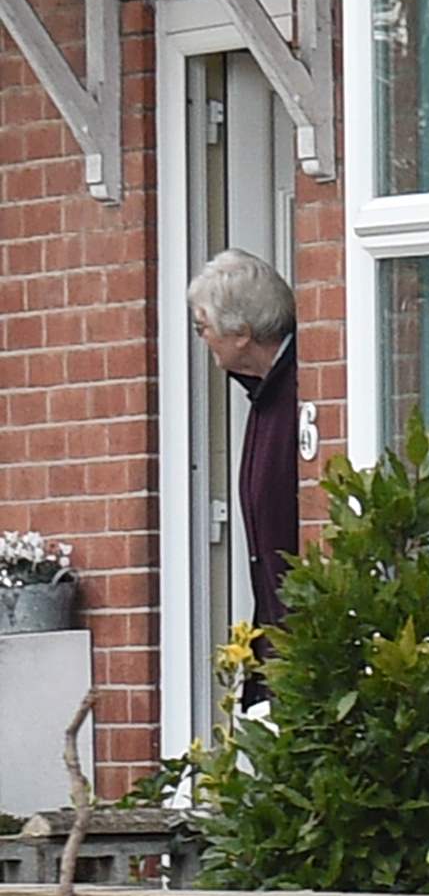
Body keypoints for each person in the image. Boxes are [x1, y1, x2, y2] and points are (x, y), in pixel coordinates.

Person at [182, 248, 298, 639]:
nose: (203, 338)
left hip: (308, 641)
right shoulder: (265, 395)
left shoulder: (297, 394)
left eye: (204, 326)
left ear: (243, 332)